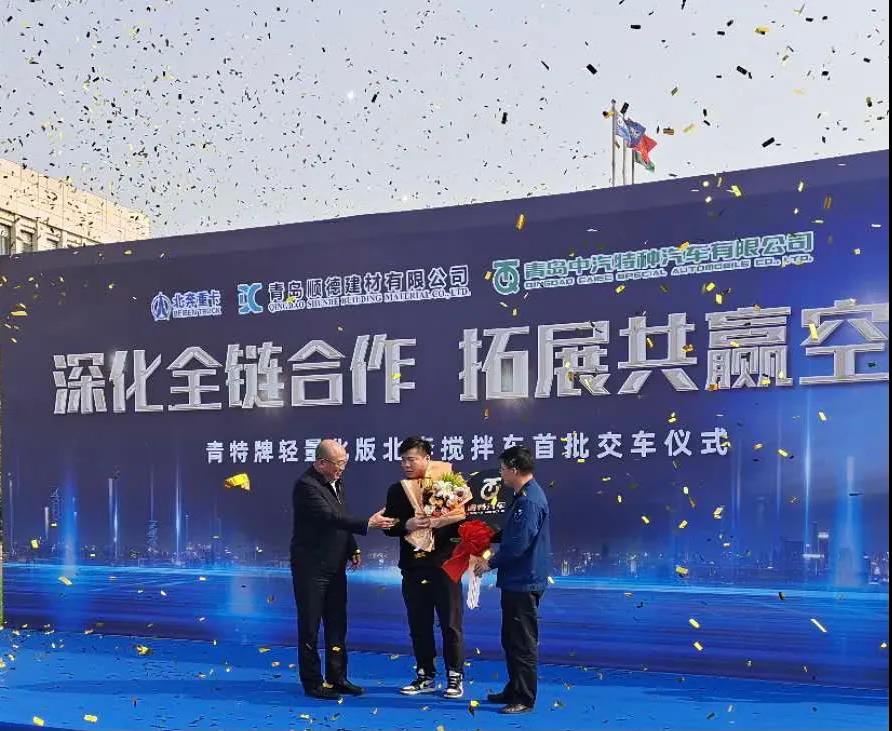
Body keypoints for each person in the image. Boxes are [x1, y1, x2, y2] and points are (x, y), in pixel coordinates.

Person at [290, 439, 396, 701]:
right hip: (311, 568)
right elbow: (331, 517)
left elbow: (342, 517)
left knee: (337, 625)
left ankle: (337, 677)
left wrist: (352, 548)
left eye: (345, 462)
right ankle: (313, 682)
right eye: (338, 463)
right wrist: (368, 523)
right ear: (321, 463)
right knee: (310, 626)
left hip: (335, 565)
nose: (342, 468)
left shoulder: (336, 482)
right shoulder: (306, 486)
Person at [382, 436, 466, 699]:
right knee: (419, 624)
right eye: (403, 460)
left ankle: (455, 676)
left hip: (445, 565)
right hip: (413, 566)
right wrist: (406, 524)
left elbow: (463, 521)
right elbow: (388, 525)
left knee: (450, 624)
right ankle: (425, 675)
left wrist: (441, 521)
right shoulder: (397, 490)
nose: (406, 465)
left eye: (412, 459)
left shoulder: (450, 484)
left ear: (427, 458)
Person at [474, 445, 551, 715]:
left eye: (503, 469)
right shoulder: (523, 496)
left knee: (522, 642)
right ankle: (514, 688)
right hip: (517, 580)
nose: (501, 474)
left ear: (515, 470)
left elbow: (518, 544)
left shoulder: (529, 501)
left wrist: (488, 562)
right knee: (511, 638)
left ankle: (524, 697)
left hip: (524, 580)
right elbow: (511, 534)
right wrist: (483, 535)